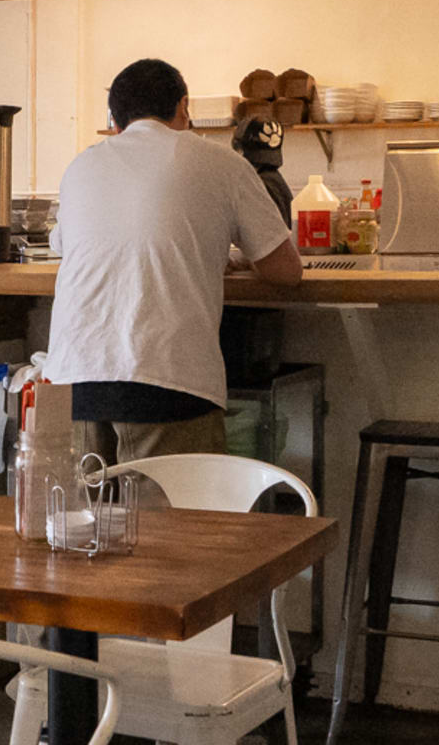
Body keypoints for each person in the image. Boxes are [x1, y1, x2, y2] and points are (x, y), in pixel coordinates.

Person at [48, 56, 301, 463]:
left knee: (85, 523)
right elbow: (285, 271)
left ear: (115, 120)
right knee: (177, 526)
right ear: (184, 108)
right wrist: (218, 252)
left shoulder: (82, 165)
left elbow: (70, 245)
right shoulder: (223, 164)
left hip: (74, 383)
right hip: (167, 381)